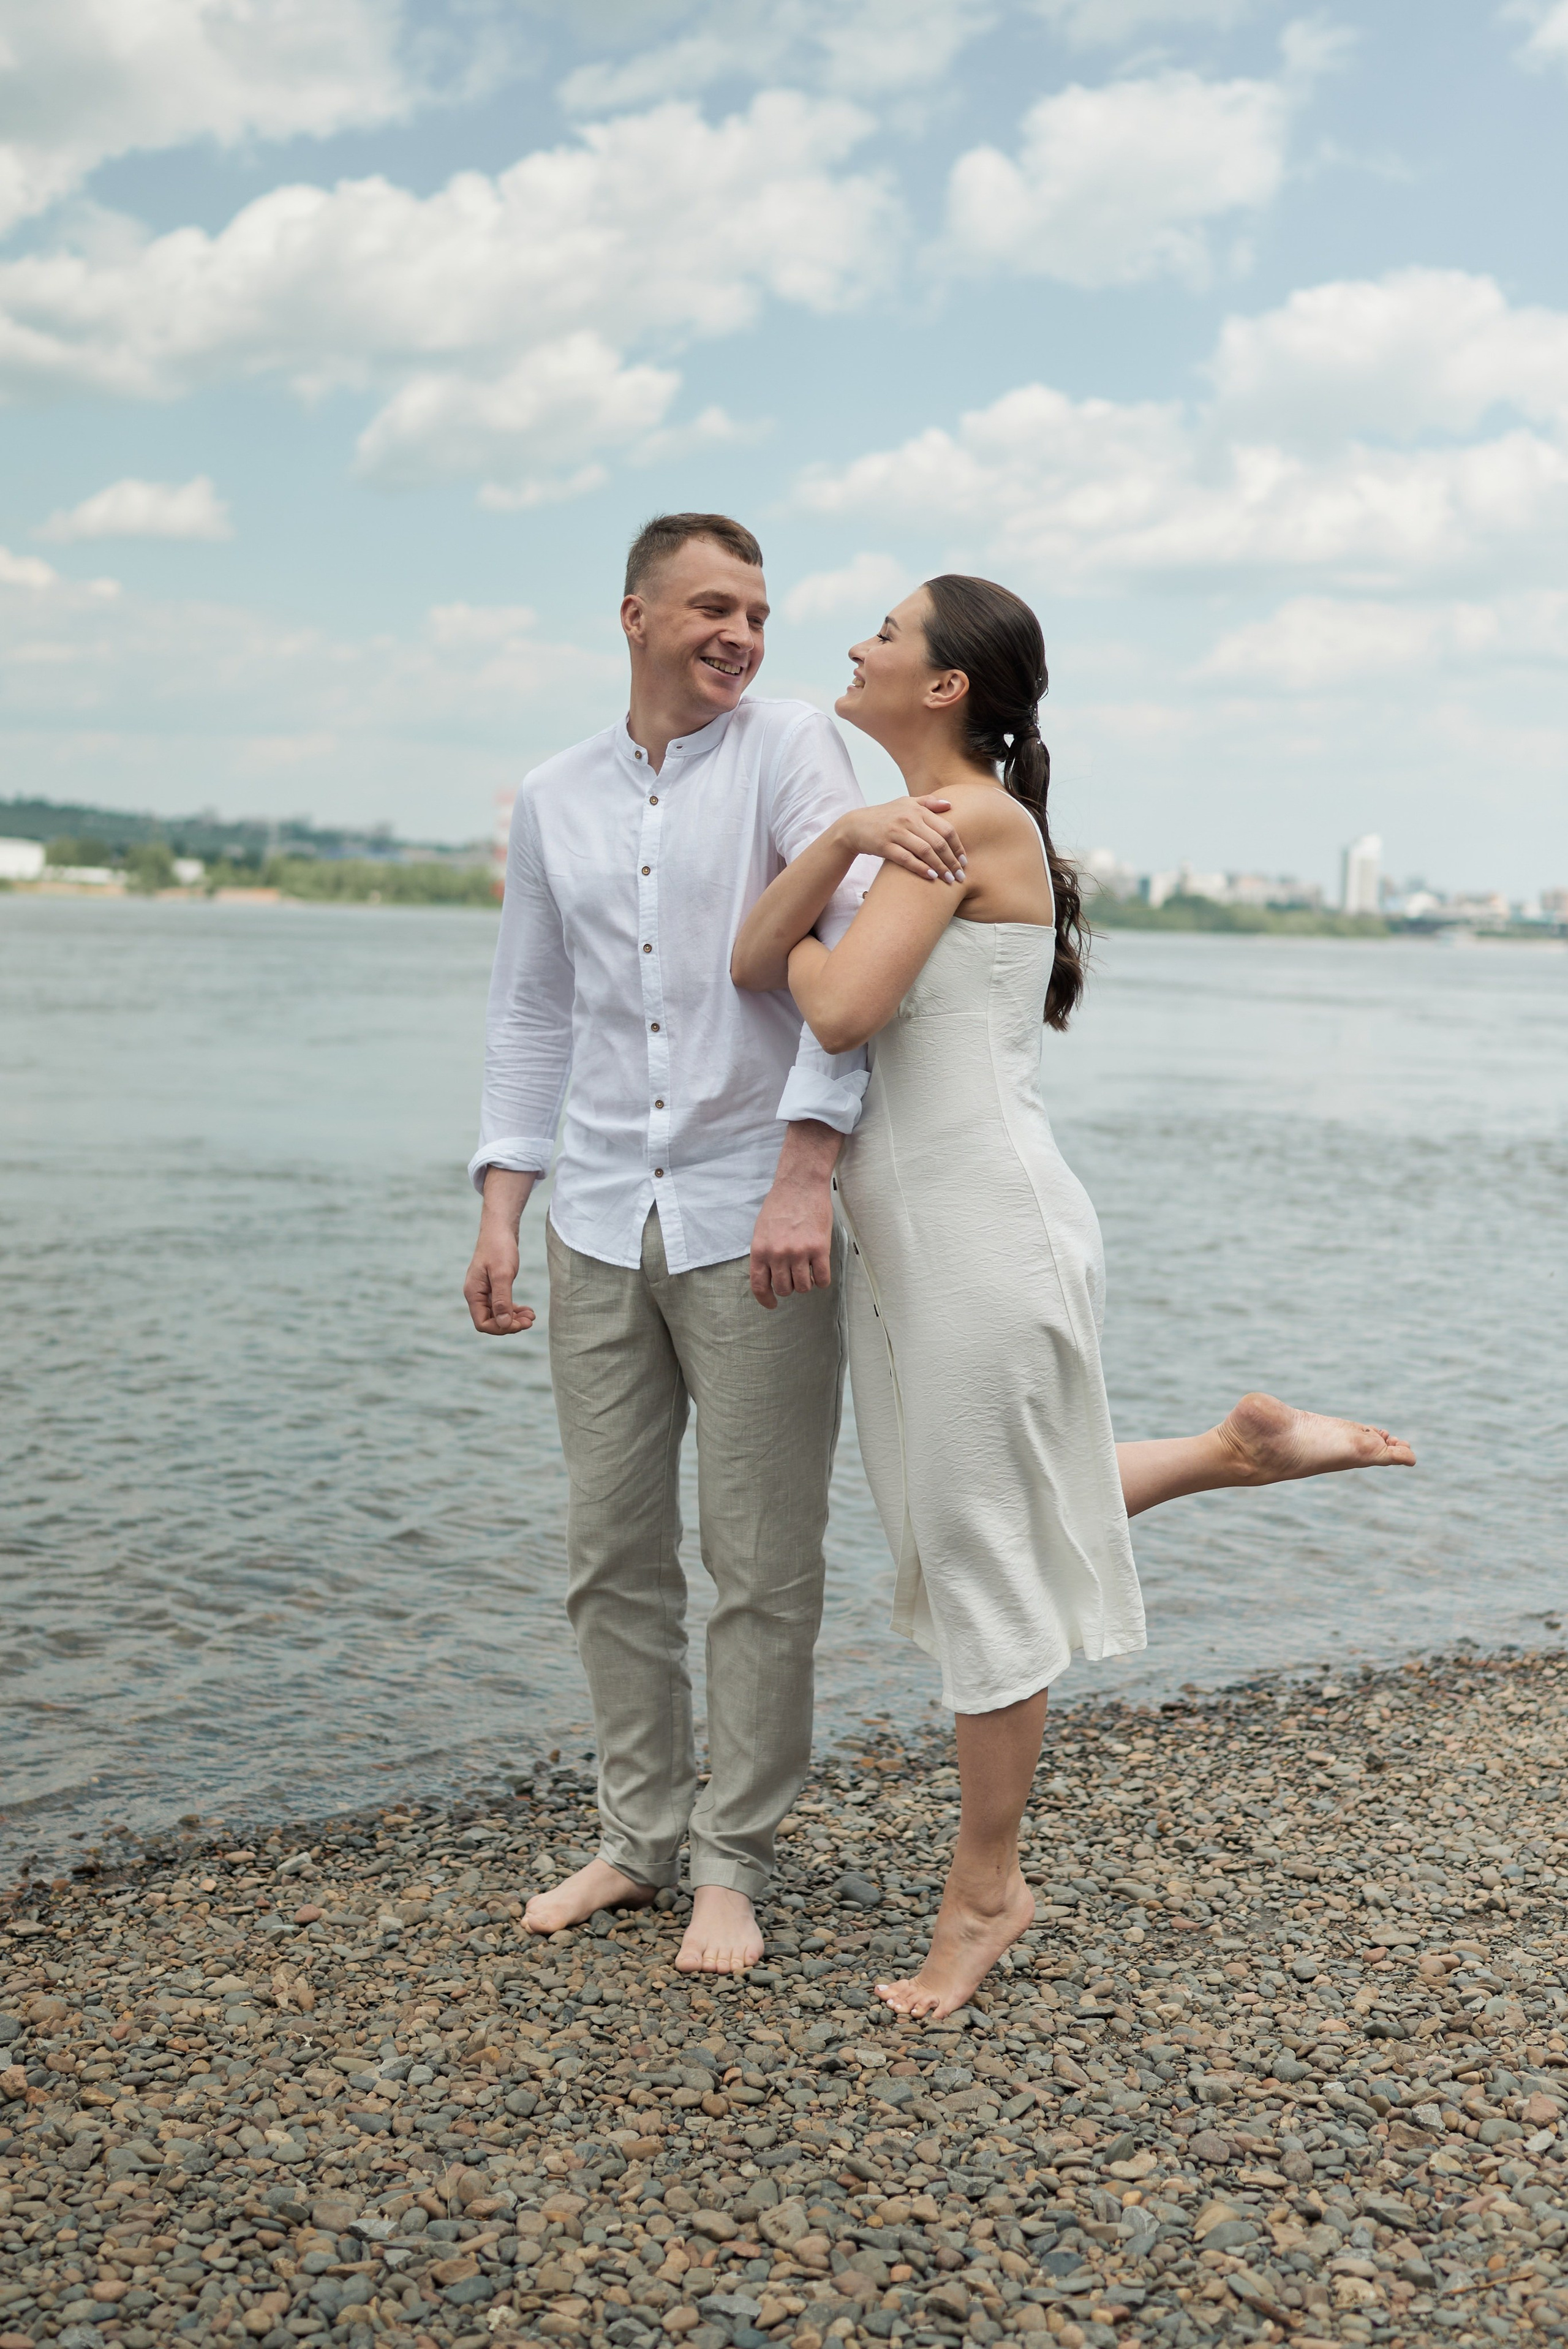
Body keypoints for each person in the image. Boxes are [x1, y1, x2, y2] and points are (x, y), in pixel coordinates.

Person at [730, 573, 1416, 2016]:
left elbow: (831, 1006)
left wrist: (824, 889)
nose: (852, 644)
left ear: (944, 687)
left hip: (982, 1229)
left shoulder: (969, 820)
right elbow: (748, 960)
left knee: (978, 1551)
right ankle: (1233, 1453)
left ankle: (985, 1892)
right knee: (967, 1516)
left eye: (884, 632)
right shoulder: (905, 828)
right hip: (923, 1237)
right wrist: (840, 838)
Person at [461, 513, 973, 1974]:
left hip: (754, 1212)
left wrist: (805, 1169)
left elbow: (849, 970)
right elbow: (531, 1007)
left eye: (754, 610)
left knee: (758, 1561)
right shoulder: (553, 793)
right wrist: (502, 1197)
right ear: (635, 616)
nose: (739, 634)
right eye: (709, 608)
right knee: (610, 1549)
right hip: (595, 1214)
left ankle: (731, 1861)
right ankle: (635, 1838)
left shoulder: (792, 747)